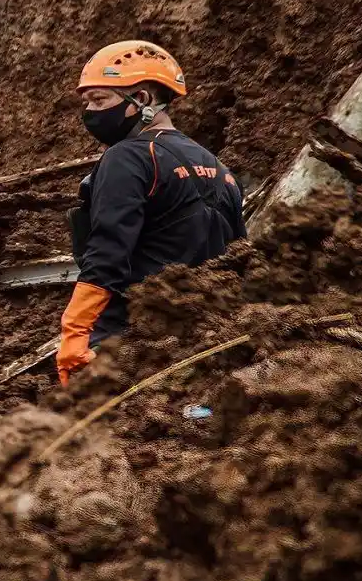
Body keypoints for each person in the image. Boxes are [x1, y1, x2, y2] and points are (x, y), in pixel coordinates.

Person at [59, 41, 245, 385]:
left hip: (131, 342)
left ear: (142, 100)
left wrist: (75, 332)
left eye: (99, 100)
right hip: (205, 341)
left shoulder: (127, 158)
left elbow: (107, 251)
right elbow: (239, 258)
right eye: (86, 102)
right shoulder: (220, 169)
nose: (89, 112)